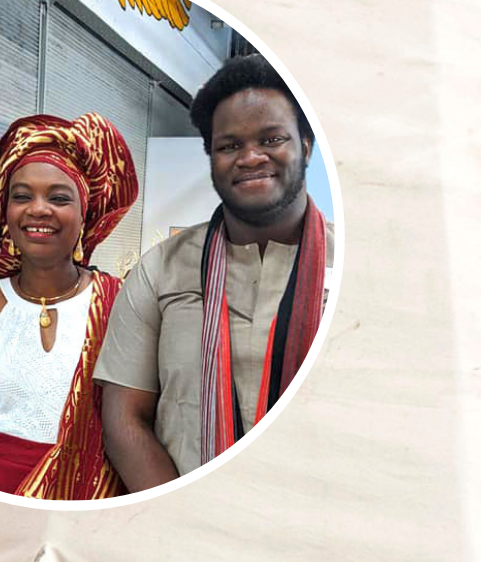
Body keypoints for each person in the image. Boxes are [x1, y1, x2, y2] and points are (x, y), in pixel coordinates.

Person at [95, 55, 330, 489]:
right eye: (229, 145)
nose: (250, 157)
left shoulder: (358, 265)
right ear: (211, 158)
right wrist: (183, 515)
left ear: (307, 145)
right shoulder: (160, 268)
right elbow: (124, 419)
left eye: (272, 138)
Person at [0, 114, 139, 499]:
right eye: (22, 196)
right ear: (5, 212)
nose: (39, 209)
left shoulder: (119, 303)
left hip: (93, 503)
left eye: (59, 198)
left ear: (84, 213)